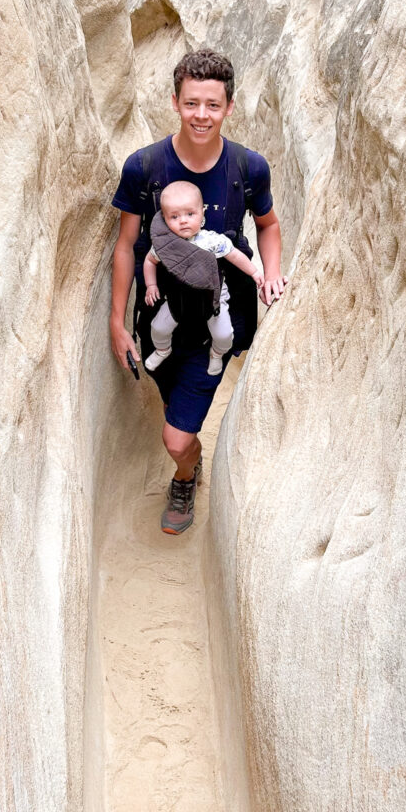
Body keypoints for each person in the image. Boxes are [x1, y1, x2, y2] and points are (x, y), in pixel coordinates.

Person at [110, 49, 287, 534]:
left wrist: (269, 273)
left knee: (173, 437)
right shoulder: (144, 167)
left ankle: (184, 474)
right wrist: (117, 322)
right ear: (175, 101)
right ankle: (191, 452)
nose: (202, 115)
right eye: (192, 103)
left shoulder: (249, 168)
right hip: (160, 312)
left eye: (212, 104)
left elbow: (268, 226)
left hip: (215, 316)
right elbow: (127, 246)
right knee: (172, 409)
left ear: (229, 107)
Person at [143, 180, 265, 376]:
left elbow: (234, 255)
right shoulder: (164, 246)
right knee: (157, 328)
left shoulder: (212, 241)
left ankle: (216, 354)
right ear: (165, 221)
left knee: (225, 335)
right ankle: (163, 349)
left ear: (202, 216)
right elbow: (149, 261)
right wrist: (151, 285)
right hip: (177, 300)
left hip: (212, 299)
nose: (183, 220)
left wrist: (254, 272)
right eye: (174, 217)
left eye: (190, 214)